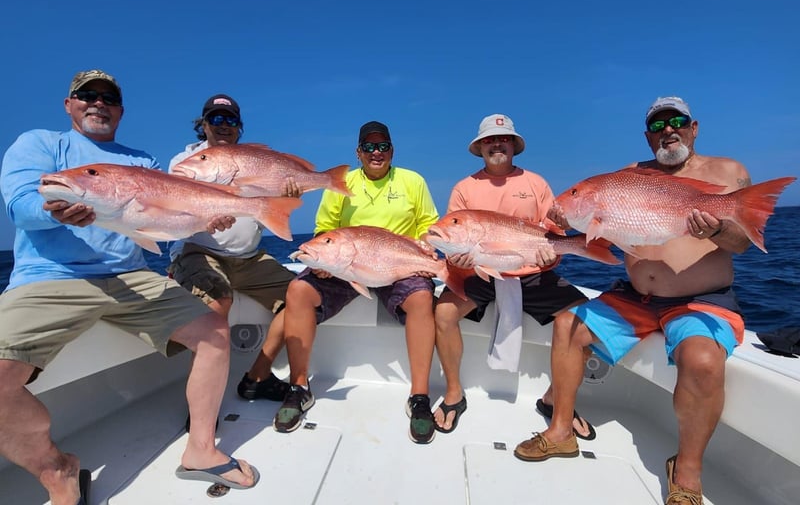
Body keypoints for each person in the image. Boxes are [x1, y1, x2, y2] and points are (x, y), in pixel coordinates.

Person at [0, 70, 259, 504]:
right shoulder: (41, 144)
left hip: (130, 276)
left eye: (109, 98)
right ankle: (56, 469)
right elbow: (20, 205)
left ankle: (200, 449)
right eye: (87, 95)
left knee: (215, 330)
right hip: (51, 276)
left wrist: (206, 218)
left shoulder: (142, 162)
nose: (98, 103)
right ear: (69, 104)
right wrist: (53, 212)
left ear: (120, 110)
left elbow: (165, 221)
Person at [514, 97, 750, 505]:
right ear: (647, 137)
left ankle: (687, 471)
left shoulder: (728, 173)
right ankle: (561, 431)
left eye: (677, 122)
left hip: (699, 300)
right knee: (568, 325)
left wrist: (715, 230)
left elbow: (743, 243)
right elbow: (606, 236)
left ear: (694, 127)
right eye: (658, 126)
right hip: (636, 297)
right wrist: (563, 232)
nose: (668, 131)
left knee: (703, 362)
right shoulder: (627, 176)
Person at [273, 121, 440, 444]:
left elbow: (427, 225)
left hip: (397, 265)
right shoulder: (341, 183)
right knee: (298, 290)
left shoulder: (413, 181)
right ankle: (299, 386)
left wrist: (426, 251)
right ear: (358, 152)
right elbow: (325, 228)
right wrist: (324, 260)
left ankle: (419, 397)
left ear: (392, 150)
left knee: (421, 299)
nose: (376, 153)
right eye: (369, 147)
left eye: (383, 146)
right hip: (346, 267)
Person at [432, 113, 595, 438]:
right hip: (481, 273)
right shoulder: (464, 189)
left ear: (513, 145)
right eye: (490, 140)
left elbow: (554, 232)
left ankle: (555, 398)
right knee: (443, 313)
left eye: (503, 138)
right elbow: (451, 238)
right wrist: (457, 259)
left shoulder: (536, 183)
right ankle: (453, 392)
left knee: (588, 323)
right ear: (480, 147)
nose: (497, 144)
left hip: (531, 273)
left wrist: (552, 257)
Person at [168, 94, 297, 403]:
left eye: (230, 120)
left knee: (302, 298)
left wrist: (287, 197)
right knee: (216, 305)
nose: (223, 125)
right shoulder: (186, 164)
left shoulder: (256, 162)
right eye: (215, 118)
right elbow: (176, 213)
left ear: (239, 126)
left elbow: (275, 209)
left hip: (250, 258)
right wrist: (203, 221)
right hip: (200, 252)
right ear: (203, 125)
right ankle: (202, 410)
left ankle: (258, 376)